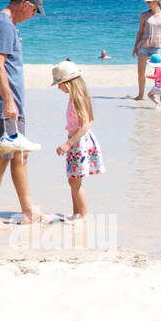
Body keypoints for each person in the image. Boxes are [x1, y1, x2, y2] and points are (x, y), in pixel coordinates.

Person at [0, 0, 45, 229]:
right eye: (35, 11)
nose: (33, 16)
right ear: (26, 4)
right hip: (5, 106)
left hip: (3, 102)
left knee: (19, 155)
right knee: (2, 157)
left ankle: (28, 211)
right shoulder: (5, 25)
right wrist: (6, 100)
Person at [51, 60, 104, 220]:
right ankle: (76, 213)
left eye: (60, 84)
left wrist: (69, 143)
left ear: (68, 82)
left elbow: (86, 123)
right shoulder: (75, 97)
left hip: (78, 142)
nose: (59, 88)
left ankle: (82, 214)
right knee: (73, 180)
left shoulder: (77, 98)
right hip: (76, 141)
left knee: (75, 180)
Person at [130, 0, 161, 100]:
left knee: (158, 73)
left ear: (156, 2)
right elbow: (140, 31)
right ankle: (140, 95)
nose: (148, 4)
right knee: (141, 72)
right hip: (144, 45)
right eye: (147, 2)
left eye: (150, 2)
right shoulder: (144, 15)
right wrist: (135, 46)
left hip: (159, 46)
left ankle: (158, 95)